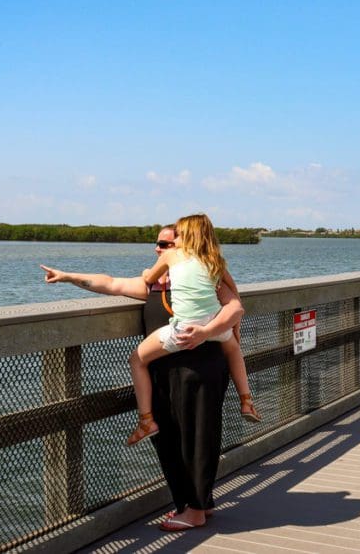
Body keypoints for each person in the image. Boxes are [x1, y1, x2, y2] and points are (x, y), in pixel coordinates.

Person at [40, 223, 242, 531]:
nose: (158, 250)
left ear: (183, 247)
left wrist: (205, 332)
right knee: (168, 440)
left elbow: (235, 308)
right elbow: (108, 283)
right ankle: (193, 503)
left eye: (165, 245)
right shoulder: (153, 286)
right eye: (157, 244)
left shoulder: (206, 281)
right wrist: (68, 276)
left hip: (199, 370)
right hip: (161, 374)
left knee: (198, 437)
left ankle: (197, 510)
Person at [126, 213, 259, 447]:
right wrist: (233, 326)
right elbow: (234, 293)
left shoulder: (172, 256)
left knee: (136, 360)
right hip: (214, 326)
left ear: (186, 236)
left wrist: (147, 272)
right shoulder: (214, 259)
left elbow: (150, 278)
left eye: (178, 234)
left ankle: (146, 420)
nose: (174, 239)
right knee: (234, 348)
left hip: (185, 329)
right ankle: (246, 399)